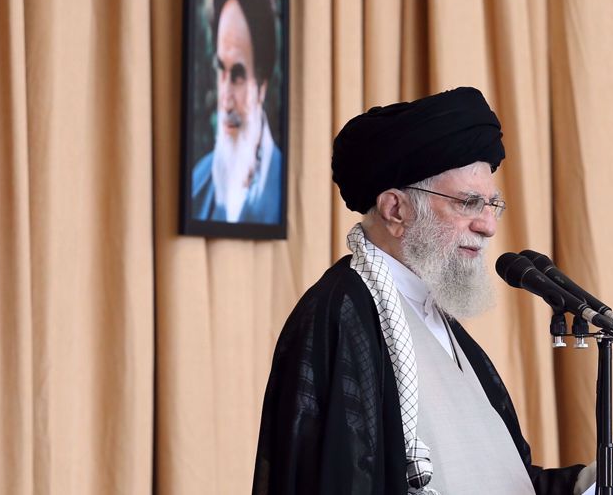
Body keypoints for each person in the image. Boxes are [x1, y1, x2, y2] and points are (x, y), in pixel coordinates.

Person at [252, 88, 595, 494]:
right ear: (396, 209)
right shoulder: (343, 317)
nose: (488, 226)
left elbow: (494, 477)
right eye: (469, 203)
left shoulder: (436, 316)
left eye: (492, 205)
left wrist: (589, 481)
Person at [192, 0, 282, 224]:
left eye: (239, 75)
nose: (226, 97)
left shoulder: (282, 184)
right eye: (222, 70)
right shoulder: (197, 183)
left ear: (262, 84)